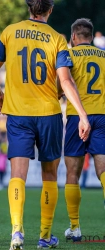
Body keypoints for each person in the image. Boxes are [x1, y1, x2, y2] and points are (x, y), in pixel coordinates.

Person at [0, 1, 91, 249]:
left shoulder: (9, 31)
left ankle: (16, 232)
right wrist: (82, 115)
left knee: (17, 175)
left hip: (18, 114)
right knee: (49, 175)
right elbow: (65, 81)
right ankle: (45, 237)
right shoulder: (56, 38)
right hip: (48, 113)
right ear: (50, 10)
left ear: (28, 7)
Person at [60, 18, 105, 242]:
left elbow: (63, 85)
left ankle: (75, 227)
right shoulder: (104, 56)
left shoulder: (69, 55)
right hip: (103, 116)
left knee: (72, 172)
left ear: (74, 37)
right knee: (103, 169)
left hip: (78, 116)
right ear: (91, 35)